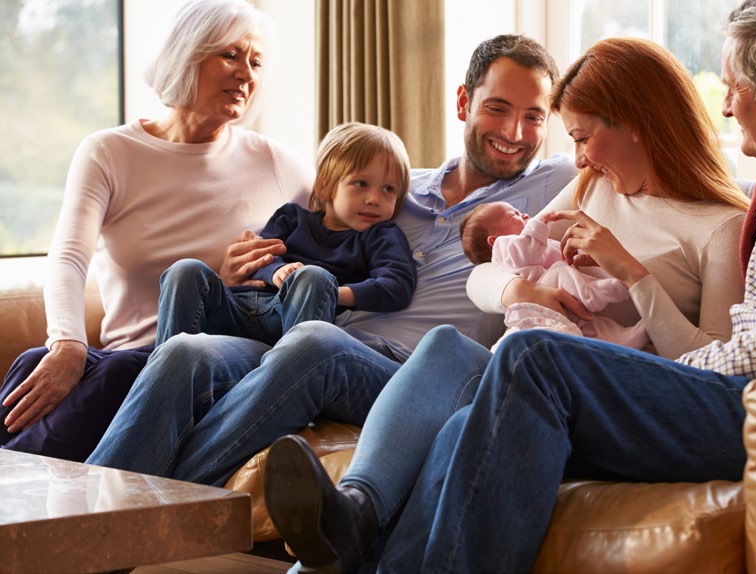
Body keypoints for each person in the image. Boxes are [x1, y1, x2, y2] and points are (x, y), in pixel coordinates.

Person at [264, 36, 756, 573]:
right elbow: (491, 266)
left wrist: (632, 273)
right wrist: (522, 291)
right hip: (530, 364)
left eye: (584, 137)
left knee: (457, 429)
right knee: (447, 346)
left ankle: (340, 541)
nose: (578, 158)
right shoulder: (593, 188)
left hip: (604, 392)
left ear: (635, 121)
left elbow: (714, 365)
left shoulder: (721, 227)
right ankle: (353, 509)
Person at [85, 35, 579, 487]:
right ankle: (68, 536)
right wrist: (242, 267)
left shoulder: (552, 185)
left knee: (316, 343)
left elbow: (630, 133)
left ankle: (156, 506)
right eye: (498, 108)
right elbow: (304, 220)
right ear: (463, 102)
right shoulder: (394, 187)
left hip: (409, 371)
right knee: (184, 352)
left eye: (534, 116)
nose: (515, 132)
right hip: (305, 337)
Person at [0, 0, 314, 462]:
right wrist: (67, 343)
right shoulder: (109, 152)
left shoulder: (278, 165)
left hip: (208, 364)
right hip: (125, 355)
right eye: (230, 55)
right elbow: (68, 257)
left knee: (111, 376)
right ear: (186, 55)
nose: (246, 73)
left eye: (256, 61)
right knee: (34, 364)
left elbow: (343, 235)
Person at [155, 122, 416, 347]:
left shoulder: (381, 235)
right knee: (185, 270)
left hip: (292, 319)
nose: (374, 199)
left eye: (388, 190)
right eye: (361, 184)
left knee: (312, 277)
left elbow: (397, 285)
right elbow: (258, 259)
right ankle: (163, 367)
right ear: (325, 187)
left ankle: (288, 374)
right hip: (240, 309)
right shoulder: (291, 217)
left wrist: (333, 292)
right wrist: (276, 271)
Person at [460, 201, 649, 350]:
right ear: (494, 240)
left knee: (601, 331)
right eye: (514, 214)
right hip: (542, 296)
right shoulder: (505, 249)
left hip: (566, 309)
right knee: (559, 270)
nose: (524, 215)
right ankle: (594, 293)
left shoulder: (537, 240)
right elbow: (528, 251)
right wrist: (538, 223)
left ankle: (639, 333)